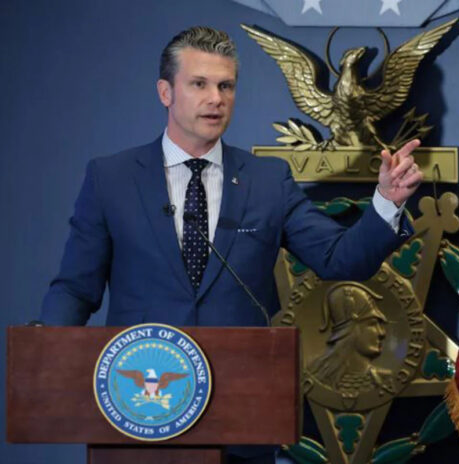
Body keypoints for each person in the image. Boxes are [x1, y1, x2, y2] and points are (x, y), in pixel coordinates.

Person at [40, 26, 422, 463]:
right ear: (165, 92)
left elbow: (340, 260)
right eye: (199, 84)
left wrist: (386, 203)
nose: (216, 98)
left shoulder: (267, 181)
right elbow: (76, 288)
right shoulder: (111, 178)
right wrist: (49, 357)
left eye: (226, 86)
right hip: (140, 414)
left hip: (241, 418)